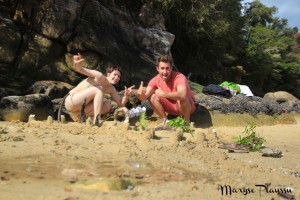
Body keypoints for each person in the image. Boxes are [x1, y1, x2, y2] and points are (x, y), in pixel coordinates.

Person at [65, 53, 134, 125]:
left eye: (119, 76)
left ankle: (79, 116)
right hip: (71, 100)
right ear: (108, 74)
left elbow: (120, 104)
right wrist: (77, 63)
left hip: (81, 108)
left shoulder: (111, 89)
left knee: (107, 106)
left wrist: (126, 96)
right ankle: (97, 120)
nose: (116, 78)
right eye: (115, 74)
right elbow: (79, 69)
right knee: (98, 89)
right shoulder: (99, 76)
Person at [137, 54, 195, 123]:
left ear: (171, 68)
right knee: (152, 97)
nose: (165, 72)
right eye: (162, 68)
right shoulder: (155, 80)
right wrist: (139, 93)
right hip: (171, 108)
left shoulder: (179, 77)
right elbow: (143, 97)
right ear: (157, 68)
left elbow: (182, 95)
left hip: (186, 108)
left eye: (167, 68)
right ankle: (165, 121)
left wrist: (163, 94)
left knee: (183, 99)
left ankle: (186, 122)